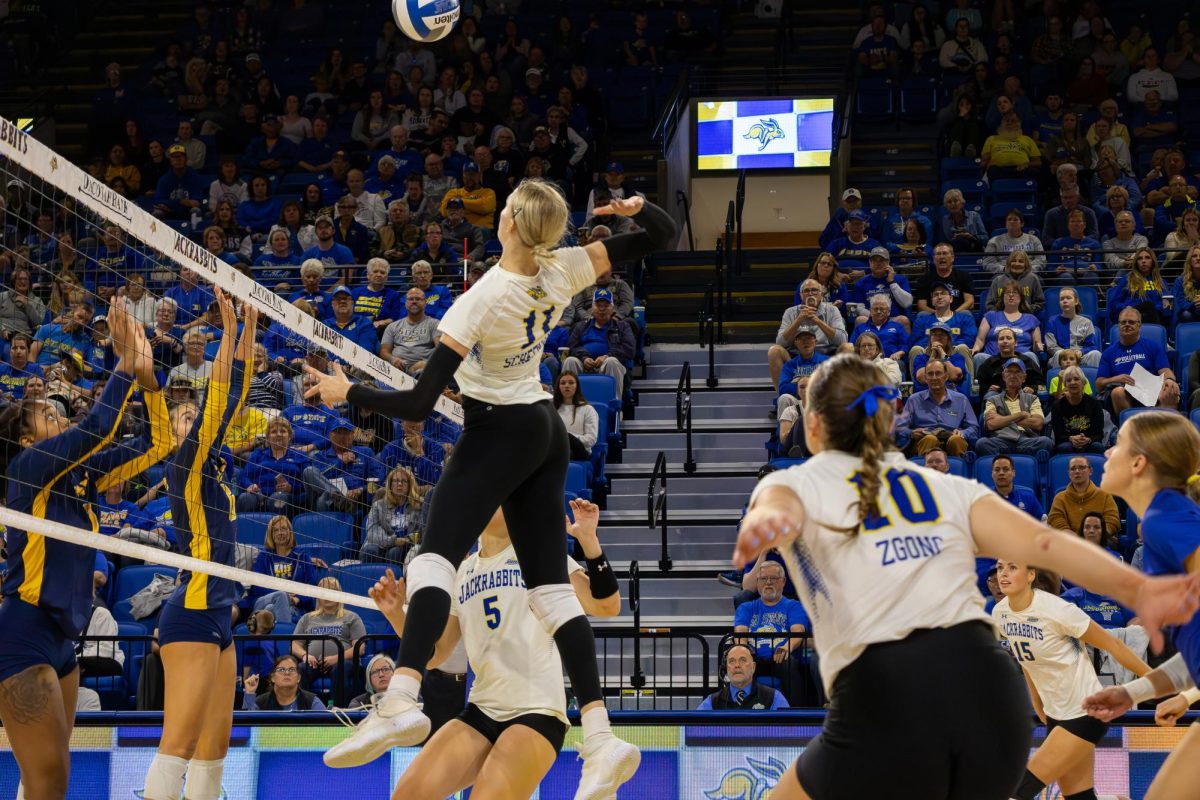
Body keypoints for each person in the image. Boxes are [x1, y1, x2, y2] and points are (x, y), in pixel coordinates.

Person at [308, 183, 675, 797]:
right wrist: (638, 210)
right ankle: (603, 736)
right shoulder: (563, 267)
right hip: (542, 429)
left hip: (498, 427)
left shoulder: (481, 298)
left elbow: (420, 403)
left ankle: (400, 697)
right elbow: (660, 237)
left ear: (507, 222)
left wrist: (350, 395)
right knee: (551, 589)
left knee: (431, 557)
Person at [732, 354, 1199, 800]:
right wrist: (1139, 588)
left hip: (890, 689)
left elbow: (776, 503)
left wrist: (764, 521)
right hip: (993, 695)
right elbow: (1045, 544)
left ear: (812, 425)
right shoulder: (945, 486)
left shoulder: (799, 479)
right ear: (895, 414)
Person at [0, 302, 164, 800]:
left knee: (45, 782)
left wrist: (150, 381)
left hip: (63, 641)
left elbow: (156, 444)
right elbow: (99, 428)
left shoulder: (83, 478)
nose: (61, 414)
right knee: (51, 783)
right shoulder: (28, 467)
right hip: (22, 636)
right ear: (28, 436)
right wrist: (125, 361)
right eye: (50, 413)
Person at [142, 291, 257, 800]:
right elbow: (218, 406)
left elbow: (232, 404)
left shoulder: (215, 472)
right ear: (175, 431)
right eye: (183, 418)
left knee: (215, 747)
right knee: (181, 742)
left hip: (220, 611)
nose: (193, 422)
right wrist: (227, 339)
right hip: (190, 611)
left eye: (194, 417)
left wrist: (247, 340)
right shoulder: (182, 467)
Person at [994, 559, 1150, 800]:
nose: (1003, 574)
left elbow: (1114, 645)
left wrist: (1157, 678)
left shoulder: (1057, 610)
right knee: (1079, 797)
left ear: (1031, 575)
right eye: (999, 567)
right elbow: (1027, 661)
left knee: (1018, 791)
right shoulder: (1001, 613)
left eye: (1012, 567)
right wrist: (1037, 702)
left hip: (1086, 711)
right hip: (1056, 713)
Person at [733, 559, 810, 703]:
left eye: (773, 578)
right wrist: (744, 651)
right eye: (763, 578)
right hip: (753, 656)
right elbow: (740, 633)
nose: (768, 582)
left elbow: (797, 632)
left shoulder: (794, 606)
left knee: (789, 663)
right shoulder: (746, 607)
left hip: (781, 656)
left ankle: (794, 715)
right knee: (739, 662)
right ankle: (741, 712)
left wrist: (787, 647)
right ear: (757, 582)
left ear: (783, 581)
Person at [1097, 307, 1180, 415]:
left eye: (1131, 322)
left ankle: (1162, 428)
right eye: (1123, 322)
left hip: (1150, 389)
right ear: (1119, 325)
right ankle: (1133, 428)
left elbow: (1164, 370)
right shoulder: (1108, 353)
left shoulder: (1152, 346)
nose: (1127, 324)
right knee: (1117, 392)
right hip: (1124, 391)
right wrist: (1116, 379)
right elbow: (1099, 385)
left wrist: (1169, 380)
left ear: (1139, 325)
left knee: (1171, 390)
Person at [244, 515, 323, 624]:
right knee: (281, 596)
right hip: (262, 601)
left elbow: (312, 585)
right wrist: (283, 595)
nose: (280, 533)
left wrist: (297, 599)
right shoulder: (264, 557)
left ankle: (274, 638)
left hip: (293, 606)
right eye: (275, 530)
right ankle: (288, 638)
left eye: (283, 529)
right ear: (271, 535)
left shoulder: (301, 556)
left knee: (270, 609)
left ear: (290, 532)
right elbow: (257, 587)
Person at [292, 576, 366, 692]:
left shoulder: (352, 617)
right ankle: (303, 708)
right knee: (300, 669)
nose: (328, 594)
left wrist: (337, 658)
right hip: (314, 664)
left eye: (332, 590)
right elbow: (295, 645)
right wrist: (304, 655)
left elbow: (360, 648)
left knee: (340, 668)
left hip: (344, 663)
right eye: (324, 591)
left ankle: (338, 709)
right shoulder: (307, 618)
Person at [769, 280, 848, 387]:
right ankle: (782, 396)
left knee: (848, 347)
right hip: (797, 356)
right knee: (774, 351)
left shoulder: (832, 310)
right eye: (806, 291)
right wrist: (798, 320)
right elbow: (780, 342)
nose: (810, 293)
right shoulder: (790, 312)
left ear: (821, 294)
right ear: (801, 295)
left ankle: (842, 396)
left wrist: (817, 320)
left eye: (814, 290)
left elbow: (842, 339)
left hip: (827, 355)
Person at [977, 358, 1055, 456]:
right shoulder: (992, 400)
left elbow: (1038, 423)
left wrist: (1002, 420)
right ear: (1003, 376)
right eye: (1009, 372)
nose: (1013, 375)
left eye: (1018, 372)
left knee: (1045, 442)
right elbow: (991, 424)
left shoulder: (1033, 398)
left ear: (1024, 378)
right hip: (1001, 440)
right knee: (982, 443)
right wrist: (1021, 414)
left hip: (1027, 440)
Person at [561, 289, 636, 387]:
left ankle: (614, 401)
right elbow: (572, 347)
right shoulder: (581, 326)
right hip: (584, 364)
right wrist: (584, 357)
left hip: (608, 366)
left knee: (611, 361)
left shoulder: (622, 326)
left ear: (613, 308)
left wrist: (607, 356)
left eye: (606, 305)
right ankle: (570, 401)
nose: (602, 309)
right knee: (570, 361)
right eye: (598, 305)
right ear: (592, 308)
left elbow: (629, 350)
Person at [237, 416, 310, 513]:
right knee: (245, 498)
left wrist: (291, 487)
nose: (278, 434)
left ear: (290, 436)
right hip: (259, 496)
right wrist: (250, 486)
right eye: (274, 432)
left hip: (288, 499)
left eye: (283, 431)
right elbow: (244, 476)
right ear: (267, 437)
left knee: (278, 498)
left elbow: (308, 484)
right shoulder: (257, 454)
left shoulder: (301, 456)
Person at [698, 642, 789, 710]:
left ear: (753, 667)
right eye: (732, 661)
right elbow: (695, 731)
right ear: (726, 668)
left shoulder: (774, 698)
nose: (737, 665)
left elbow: (787, 731)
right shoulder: (712, 702)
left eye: (742, 660)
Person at [362, 466, 422, 564]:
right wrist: (393, 541)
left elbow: (420, 532)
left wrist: (407, 540)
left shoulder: (417, 507)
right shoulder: (378, 505)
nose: (399, 484)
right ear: (390, 485)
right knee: (370, 550)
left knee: (395, 552)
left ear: (410, 485)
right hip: (381, 545)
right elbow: (373, 532)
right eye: (395, 481)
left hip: (405, 547)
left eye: (404, 481)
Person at [1048, 456, 1121, 533]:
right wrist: (1068, 533)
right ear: (1069, 474)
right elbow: (1055, 519)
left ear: (1090, 471)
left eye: (1081, 467)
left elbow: (1113, 520)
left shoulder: (1104, 495)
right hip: (1069, 541)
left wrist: (1097, 535)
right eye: (1073, 469)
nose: (1077, 471)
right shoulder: (1060, 498)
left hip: (1100, 540)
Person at [380, 290, 440, 377]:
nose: (414, 301)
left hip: (423, 368)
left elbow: (440, 349)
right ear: (405, 303)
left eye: (418, 299)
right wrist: (392, 359)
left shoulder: (435, 324)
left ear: (425, 303)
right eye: (410, 299)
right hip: (396, 369)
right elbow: (384, 351)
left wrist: (426, 363)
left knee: (423, 368)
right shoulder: (392, 326)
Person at [1050, 366, 1108, 455]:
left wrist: (1088, 440)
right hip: (1068, 442)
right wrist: (1071, 438)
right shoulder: (1057, 406)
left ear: (1083, 382)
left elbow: (1099, 435)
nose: (1073, 382)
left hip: (1089, 442)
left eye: (1076, 379)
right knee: (1065, 447)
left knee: (1097, 446)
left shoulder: (1094, 403)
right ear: (1065, 385)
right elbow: (1058, 436)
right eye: (1068, 380)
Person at [775, 328, 830, 420]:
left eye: (809, 338)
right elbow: (783, 388)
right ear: (796, 343)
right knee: (784, 398)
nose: (806, 342)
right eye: (802, 339)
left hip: (820, 399)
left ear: (815, 342)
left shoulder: (827, 361)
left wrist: (800, 382)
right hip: (797, 401)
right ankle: (783, 433)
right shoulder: (790, 364)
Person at [241, 654, 326, 711]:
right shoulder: (261, 702)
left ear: (299, 678)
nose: (287, 673)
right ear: (273, 677)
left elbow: (326, 727)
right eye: (281, 670)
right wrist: (250, 692)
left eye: (292, 669)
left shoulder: (311, 702)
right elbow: (246, 725)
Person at [1045, 287, 1101, 368]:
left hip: (1080, 357)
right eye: (1062, 299)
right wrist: (1067, 353)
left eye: (1068, 298)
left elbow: (1092, 346)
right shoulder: (1052, 322)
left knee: (1096, 354)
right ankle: (1059, 380)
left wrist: (1081, 352)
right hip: (1062, 357)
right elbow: (1051, 347)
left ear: (1076, 301)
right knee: (1058, 354)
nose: (1065, 301)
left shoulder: (1087, 322)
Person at [554, 371, 598, 462]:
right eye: (563, 383)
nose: (567, 385)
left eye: (571, 383)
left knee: (566, 447)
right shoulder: (552, 410)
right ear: (558, 387)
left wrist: (569, 438)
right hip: (557, 449)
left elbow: (591, 439)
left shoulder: (588, 409)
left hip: (580, 452)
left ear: (577, 386)